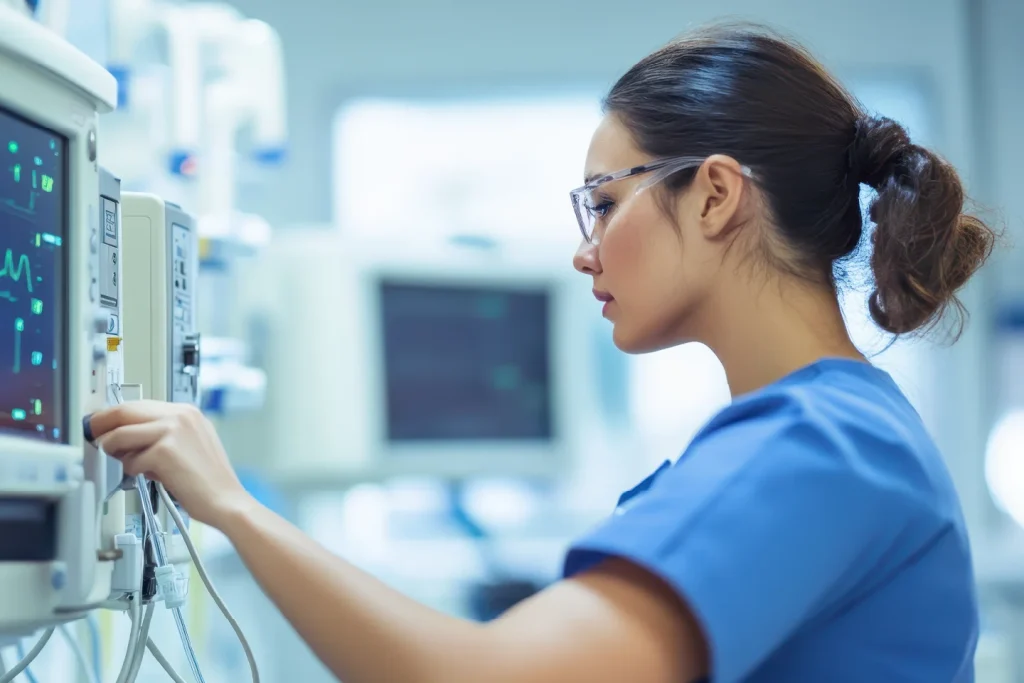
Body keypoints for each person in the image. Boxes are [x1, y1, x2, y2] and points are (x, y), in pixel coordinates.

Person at [89, 22, 997, 683]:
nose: (584, 247)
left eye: (603, 203)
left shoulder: (820, 450)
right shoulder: (844, 429)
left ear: (716, 194)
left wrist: (235, 508)